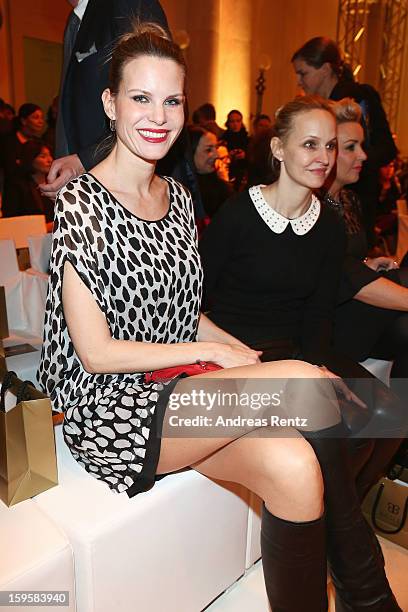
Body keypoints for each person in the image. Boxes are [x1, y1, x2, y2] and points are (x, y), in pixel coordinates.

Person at [36, 25, 380, 611]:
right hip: (114, 411)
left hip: (175, 388)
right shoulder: (80, 202)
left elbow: (183, 313)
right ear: (109, 103)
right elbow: (97, 353)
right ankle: (369, 596)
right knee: (312, 387)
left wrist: (236, 351)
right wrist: (229, 360)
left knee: (296, 469)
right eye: (139, 98)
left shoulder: (178, 198)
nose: (157, 115)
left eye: (170, 100)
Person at [200, 94, 403, 610]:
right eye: (309, 144)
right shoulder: (239, 215)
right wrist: (239, 356)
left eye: (330, 146)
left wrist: (314, 365)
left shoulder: (329, 224)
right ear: (279, 149)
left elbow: (318, 314)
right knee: (325, 419)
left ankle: (343, 542)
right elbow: (195, 300)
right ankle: (366, 590)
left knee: (388, 410)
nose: (323, 156)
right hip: (232, 354)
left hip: (298, 353)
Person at [39, 0, 170, 201]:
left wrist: (84, 161)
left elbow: (154, 104)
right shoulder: (75, 21)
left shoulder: (128, 3)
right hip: (90, 191)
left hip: (129, 198)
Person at [322, 98, 408, 380]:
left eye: (361, 145)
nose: (364, 156)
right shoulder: (311, 208)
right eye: (351, 147)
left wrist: (367, 262)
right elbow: (346, 279)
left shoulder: (348, 200)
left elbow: (348, 265)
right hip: (335, 323)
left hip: (361, 308)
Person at [292, 36, 397, 247]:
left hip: (355, 198)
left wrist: (351, 164)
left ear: (325, 69)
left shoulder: (358, 96)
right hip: (323, 196)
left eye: (303, 73)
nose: (299, 81)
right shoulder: (310, 107)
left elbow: (386, 148)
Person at [2, 141, 54, 222]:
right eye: (43, 156)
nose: (49, 160)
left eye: (50, 155)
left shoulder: (55, 182)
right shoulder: (17, 186)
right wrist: (47, 227)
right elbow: (11, 220)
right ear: (30, 159)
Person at [188, 125, 232, 218]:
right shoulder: (177, 191)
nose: (216, 155)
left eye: (216, 148)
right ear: (190, 154)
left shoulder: (222, 190)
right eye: (208, 150)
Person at [0, 103, 45, 178]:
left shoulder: (39, 142)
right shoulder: (8, 141)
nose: (41, 121)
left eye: (42, 118)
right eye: (36, 117)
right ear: (24, 120)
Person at [222, 109, 249, 191]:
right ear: (228, 123)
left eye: (238, 121)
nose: (235, 124)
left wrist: (245, 154)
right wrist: (228, 156)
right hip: (228, 172)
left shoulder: (248, 139)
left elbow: (253, 156)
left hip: (244, 172)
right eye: (232, 121)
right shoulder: (224, 138)